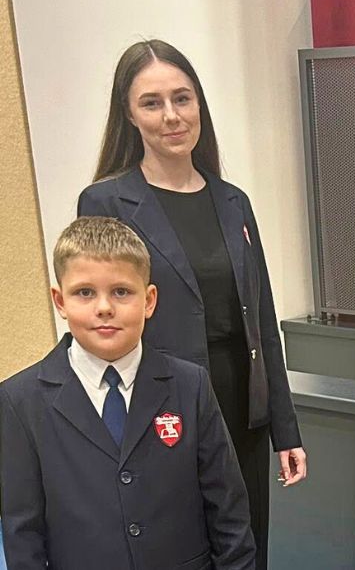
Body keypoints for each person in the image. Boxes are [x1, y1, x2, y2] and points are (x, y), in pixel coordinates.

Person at [77, 39, 306, 569]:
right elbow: (99, 323)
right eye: (151, 103)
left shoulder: (233, 201)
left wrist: (285, 429)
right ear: (129, 115)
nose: (172, 116)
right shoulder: (106, 202)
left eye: (182, 98)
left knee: (246, 547)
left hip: (242, 409)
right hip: (160, 410)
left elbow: (261, 321)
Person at [0, 216, 256, 569]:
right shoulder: (19, 401)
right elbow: (22, 534)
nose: (104, 307)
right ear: (59, 301)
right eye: (84, 292)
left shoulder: (190, 385)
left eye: (121, 291)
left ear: (149, 300)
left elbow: (228, 511)